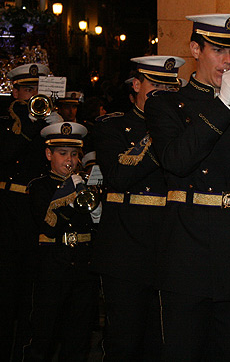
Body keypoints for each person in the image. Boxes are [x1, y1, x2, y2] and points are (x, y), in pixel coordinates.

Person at [144, 14, 230, 361]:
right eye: (218, 50)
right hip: (189, 253)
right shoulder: (165, 103)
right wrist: (222, 106)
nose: (229, 61)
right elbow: (176, 160)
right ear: (195, 49)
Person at [92, 56, 184, 361]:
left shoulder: (182, 130)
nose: (161, 93)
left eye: (169, 87)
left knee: (161, 342)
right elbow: (118, 176)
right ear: (136, 85)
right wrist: (159, 136)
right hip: (125, 246)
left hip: (169, 244)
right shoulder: (113, 125)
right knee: (124, 340)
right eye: (155, 85)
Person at [0, 63, 62, 362]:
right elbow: (6, 152)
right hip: (7, 223)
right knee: (2, 306)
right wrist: (33, 122)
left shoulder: (50, 126)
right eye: (28, 90)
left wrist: (55, 124)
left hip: (37, 220)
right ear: (15, 91)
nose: (33, 96)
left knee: (32, 305)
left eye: (38, 90)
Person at [22, 121, 99, 361]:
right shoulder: (39, 187)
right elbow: (46, 225)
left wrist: (94, 202)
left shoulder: (84, 184)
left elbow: (97, 223)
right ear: (48, 154)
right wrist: (69, 200)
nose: (70, 160)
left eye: (75, 154)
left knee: (78, 336)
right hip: (53, 266)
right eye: (63, 153)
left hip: (83, 267)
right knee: (44, 334)